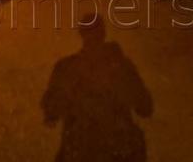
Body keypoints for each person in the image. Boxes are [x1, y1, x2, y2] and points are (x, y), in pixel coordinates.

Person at [41, 15, 152, 162]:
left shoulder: (67, 68)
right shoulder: (121, 67)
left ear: (81, 34)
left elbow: (51, 112)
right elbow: (145, 107)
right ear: (103, 33)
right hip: (118, 151)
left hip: (80, 151)